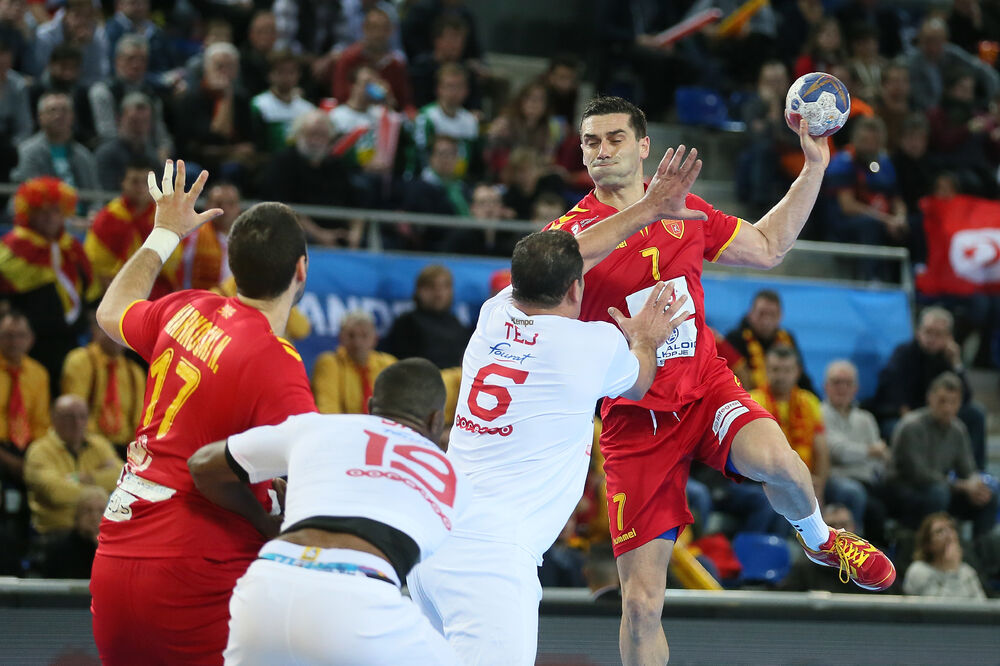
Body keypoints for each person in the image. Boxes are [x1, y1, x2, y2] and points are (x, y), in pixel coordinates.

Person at [545, 96, 894, 664]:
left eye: (613, 138)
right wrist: (649, 211)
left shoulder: (686, 212)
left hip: (705, 389)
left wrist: (814, 167)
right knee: (640, 605)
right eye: (591, 142)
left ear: (642, 146)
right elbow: (548, 266)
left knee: (783, 466)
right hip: (634, 421)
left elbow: (769, 246)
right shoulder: (570, 232)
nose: (602, 150)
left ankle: (821, 540)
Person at [409, 193, 699, 665]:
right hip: (491, 562)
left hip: (431, 545)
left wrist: (646, 210)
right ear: (576, 291)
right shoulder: (591, 343)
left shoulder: (493, 313)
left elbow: (575, 253)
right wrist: (645, 337)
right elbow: (643, 379)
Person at [89, 160, 317, 665]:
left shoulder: (185, 307)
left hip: (116, 549)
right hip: (194, 568)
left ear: (234, 267)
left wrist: (164, 234)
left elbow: (111, 311)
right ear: (301, 268)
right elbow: (314, 479)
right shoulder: (276, 363)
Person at [186, 357, 467, 664]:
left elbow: (201, 465)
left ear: (371, 406)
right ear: (436, 420)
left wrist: (265, 522)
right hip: (362, 598)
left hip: (267, 586)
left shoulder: (316, 425)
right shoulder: (455, 476)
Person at [0, 177, 101, 385]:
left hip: (72, 340)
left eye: (55, 211)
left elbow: (88, 290)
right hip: (28, 344)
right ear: (30, 213)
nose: (49, 217)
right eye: (42, 211)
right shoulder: (13, 247)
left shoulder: (71, 248)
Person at [870, 306, 987, 469]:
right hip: (904, 415)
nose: (931, 338)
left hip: (938, 413)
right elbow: (891, 389)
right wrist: (908, 415)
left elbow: (964, 398)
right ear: (918, 332)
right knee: (896, 428)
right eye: (928, 331)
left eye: (938, 334)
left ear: (949, 338)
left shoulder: (947, 358)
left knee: (975, 414)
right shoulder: (903, 353)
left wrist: (957, 364)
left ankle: (974, 473)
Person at [885, 372, 997, 538]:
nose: (947, 408)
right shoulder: (912, 426)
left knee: (988, 495)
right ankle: (929, 550)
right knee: (938, 493)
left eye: (953, 402)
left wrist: (975, 485)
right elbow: (919, 475)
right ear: (930, 398)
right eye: (942, 401)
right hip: (903, 490)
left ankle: (980, 554)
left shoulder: (958, 429)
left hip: (941, 487)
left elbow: (968, 469)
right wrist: (962, 486)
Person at [85, 157, 182, 299]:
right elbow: (99, 266)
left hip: (160, 294)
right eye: (135, 181)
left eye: (147, 182)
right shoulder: (108, 218)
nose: (141, 187)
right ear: (123, 183)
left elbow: (173, 261)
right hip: (116, 294)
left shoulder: (165, 216)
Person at [23, 394, 121, 534]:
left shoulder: (100, 445)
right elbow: (56, 493)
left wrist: (86, 478)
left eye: (82, 416)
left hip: (98, 531)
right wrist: (100, 494)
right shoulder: (39, 451)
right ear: (54, 419)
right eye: (69, 417)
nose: (77, 423)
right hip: (56, 531)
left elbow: (125, 479)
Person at [61, 310, 145, 455]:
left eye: (122, 331)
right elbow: (75, 413)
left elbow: (139, 421)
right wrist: (100, 447)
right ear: (95, 329)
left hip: (124, 449)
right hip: (86, 445)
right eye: (110, 329)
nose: (116, 336)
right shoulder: (80, 360)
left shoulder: (135, 372)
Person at [724, 289, 814, 391]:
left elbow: (801, 376)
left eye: (772, 315)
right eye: (762, 314)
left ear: (780, 316)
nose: (766, 321)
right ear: (751, 313)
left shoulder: (787, 338)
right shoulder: (734, 339)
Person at [382, 264, 469, 368]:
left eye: (444, 287)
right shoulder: (407, 323)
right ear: (419, 290)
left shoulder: (457, 324)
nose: (438, 293)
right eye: (432, 287)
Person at [13, 91, 99, 194]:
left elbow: (95, 195)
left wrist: (94, 209)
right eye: (52, 110)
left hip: (81, 209)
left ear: (72, 116)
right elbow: (29, 192)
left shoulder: (83, 155)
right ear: (40, 117)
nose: (59, 115)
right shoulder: (27, 151)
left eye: (64, 110)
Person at [312, 310, 397, 415]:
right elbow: (328, 411)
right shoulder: (329, 363)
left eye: (364, 335)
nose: (357, 342)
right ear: (340, 338)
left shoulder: (389, 364)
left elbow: (398, 408)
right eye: (351, 335)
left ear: (375, 339)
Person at [902, 512, 986, 600]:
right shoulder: (918, 570)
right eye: (940, 531)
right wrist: (951, 568)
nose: (949, 535)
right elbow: (934, 609)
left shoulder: (967, 572)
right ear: (928, 544)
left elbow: (982, 608)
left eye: (951, 528)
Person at [40, 485, 106, 578]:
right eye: (87, 511)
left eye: (101, 511)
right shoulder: (58, 549)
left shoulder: (117, 550)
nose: (94, 517)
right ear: (76, 516)